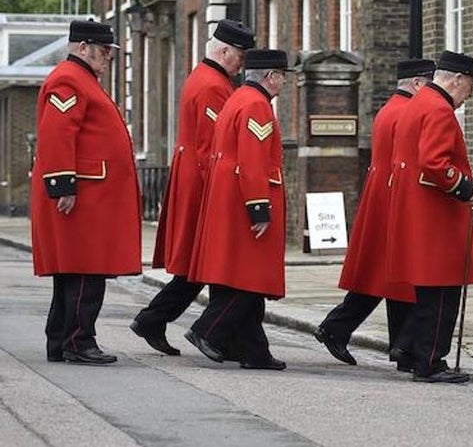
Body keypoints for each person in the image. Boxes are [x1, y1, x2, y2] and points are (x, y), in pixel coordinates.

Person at [131, 19, 254, 355]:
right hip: (202, 183)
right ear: (224, 50)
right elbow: (209, 146)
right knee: (206, 261)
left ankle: (155, 320)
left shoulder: (207, 78)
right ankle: (202, 330)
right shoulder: (214, 86)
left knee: (197, 264)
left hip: (192, 177)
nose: (242, 62)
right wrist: (219, 193)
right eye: (240, 54)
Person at [29, 20, 141, 364]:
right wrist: (64, 184)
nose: (108, 57)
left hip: (90, 194)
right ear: (82, 47)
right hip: (82, 195)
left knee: (75, 271)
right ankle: (79, 340)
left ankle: (61, 340)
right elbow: (58, 132)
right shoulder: (69, 79)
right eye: (104, 51)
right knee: (84, 270)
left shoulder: (82, 79)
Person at [314, 57, 436, 369]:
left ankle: (380, 340)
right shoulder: (408, 111)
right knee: (398, 276)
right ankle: (387, 342)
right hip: (395, 198)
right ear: (418, 83)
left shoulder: (389, 109)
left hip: (382, 195)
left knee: (388, 278)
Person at [185, 49, 293, 370]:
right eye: (283, 76)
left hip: (230, 197)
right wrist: (258, 206)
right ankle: (208, 330)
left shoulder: (238, 98)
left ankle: (254, 350)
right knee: (249, 278)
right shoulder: (257, 106)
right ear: (271, 76)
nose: (284, 83)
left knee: (243, 275)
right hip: (247, 198)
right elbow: (253, 160)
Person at [384, 50, 473, 383]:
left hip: (418, 209)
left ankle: (415, 353)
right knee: (442, 292)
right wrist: (466, 189)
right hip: (436, 214)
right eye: (470, 85)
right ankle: (430, 360)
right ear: (456, 79)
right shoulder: (440, 110)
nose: (469, 93)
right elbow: (435, 163)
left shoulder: (419, 102)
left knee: (428, 291)